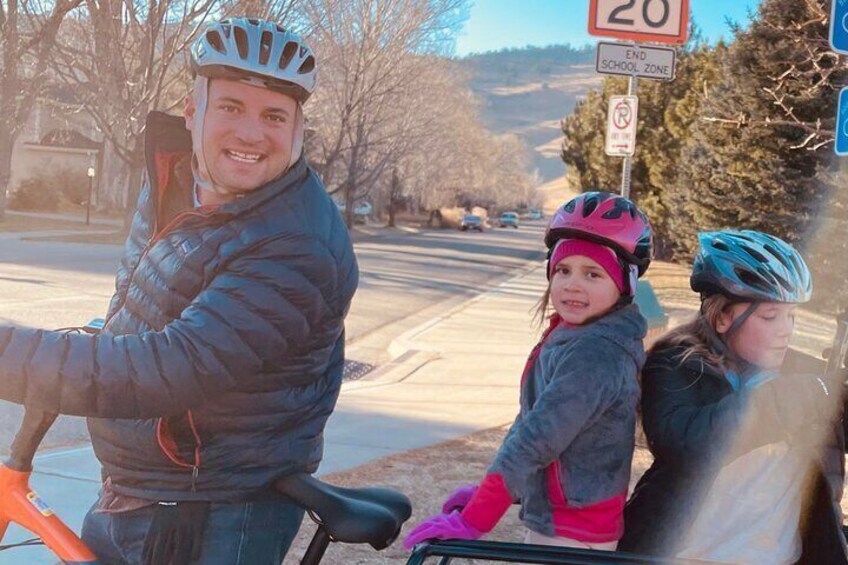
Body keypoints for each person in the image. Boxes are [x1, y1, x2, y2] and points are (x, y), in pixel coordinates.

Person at [0, 17, 357, 565]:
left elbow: (170, 367)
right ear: (193, 112)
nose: (251, 133)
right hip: (140, 485)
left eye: (274, 116)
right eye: (231, 107)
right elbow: (138, 304)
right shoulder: (174, 178)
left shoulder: (298, 244)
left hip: (215, 505)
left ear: (297, 131)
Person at [404, 192, 653, 551]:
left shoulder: (597, 353)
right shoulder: (572, 336)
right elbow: (530, 423)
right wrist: (485, 495)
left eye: (593, 274)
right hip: (558, 521)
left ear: (624, 285)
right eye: (563, 270)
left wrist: (475, 518)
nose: (572, 284)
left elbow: (538, 439)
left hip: (575, 532)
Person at [619, 230, 847, 564]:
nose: (787, 329)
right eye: (770, 316)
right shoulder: (676, 365)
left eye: (791, 315)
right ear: (723, 317)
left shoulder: (802, 372)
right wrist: (791, 397)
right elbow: (687, 441)